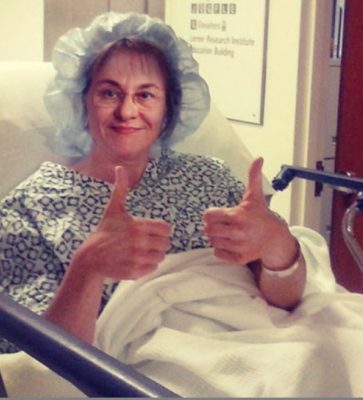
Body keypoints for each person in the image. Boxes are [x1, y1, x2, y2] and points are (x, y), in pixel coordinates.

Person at [0, 12, 306, 352]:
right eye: (109, 93)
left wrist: (277, 246)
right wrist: (87, 268)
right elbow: (32, 362)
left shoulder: (210, 177)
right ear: (81, 102)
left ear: (167, 111)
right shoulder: (33, 206)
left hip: (253, 345)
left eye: (145, 95)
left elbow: (286, 305)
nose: (127, 111)